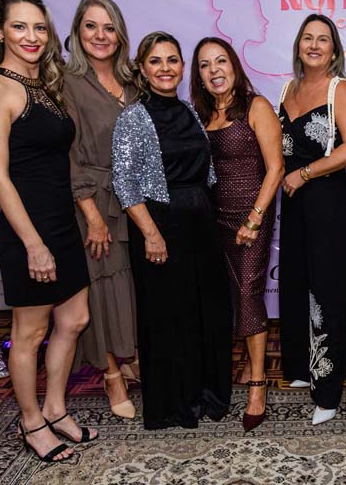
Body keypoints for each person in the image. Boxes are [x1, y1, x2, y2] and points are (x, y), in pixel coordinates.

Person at [0, 0, 96, 462]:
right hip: (30, 230)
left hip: (61, 221)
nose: (31, 36)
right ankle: (31, 422)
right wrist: (33, 244)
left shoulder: (44, 85)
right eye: (19, 26)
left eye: (39, 27)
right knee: (29, 332)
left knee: (75, 319)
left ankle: (56, 408)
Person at [112, 31, 231, 430]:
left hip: (200, 220)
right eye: (156, 61)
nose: (165, 68)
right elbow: (125, 182)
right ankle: (173, 404)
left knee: (204, 310)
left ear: (182, 67)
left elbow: (205, 171)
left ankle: (205, 394)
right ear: (142, 70)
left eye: (172, 60)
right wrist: (151, 233)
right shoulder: (133, 117)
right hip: (160, 224)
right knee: (168, 315)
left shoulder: (190, 111)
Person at [190, 37, 284, 432]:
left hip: (250, 218)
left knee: (247, 293)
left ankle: (258, 384)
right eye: (205, 65)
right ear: (199, 75)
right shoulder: (200, 114)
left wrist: (255, 219)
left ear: (234, 65)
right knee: (230, 297)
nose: (214, 70)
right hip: (214, 218)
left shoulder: (256, 106)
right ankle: (247, 363)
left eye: (221, 61)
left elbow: (276, 168)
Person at [278, 14, 346, 425]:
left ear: (334, 50)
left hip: (326, 199)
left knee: (328, 291)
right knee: (296, 282)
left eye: (323, 39)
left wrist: (306, 173)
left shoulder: (339, 89)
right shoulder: (287, 89)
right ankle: (301, 367)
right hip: (293, 201)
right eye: (308, 38)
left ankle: (328, 392)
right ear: (298, 45)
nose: (314, 45)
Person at [63, 0, 138, 420]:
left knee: (129, 287)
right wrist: (91, 215)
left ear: (120, 34)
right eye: (91, 26)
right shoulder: (68, 84)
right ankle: (111, 375)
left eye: (109, 27)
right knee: (104, 290)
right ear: (77, 31)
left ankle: (128, 358)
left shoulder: (132, 82)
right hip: (94, 202)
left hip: (133, 201)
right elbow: (69, 156)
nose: (100, 35)